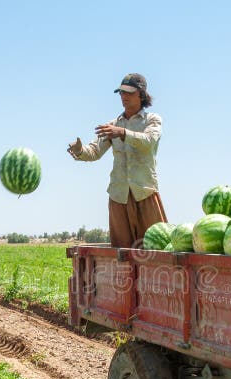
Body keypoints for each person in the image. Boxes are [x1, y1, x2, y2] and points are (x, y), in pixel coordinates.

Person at [67, 73, 167, 248]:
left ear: (141, 95)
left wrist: (122, 133)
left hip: (145, 192)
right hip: (118, 196)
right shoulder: (113, 124)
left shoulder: (152, 120)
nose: (124, 96)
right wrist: (80, 150)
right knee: (122, 253)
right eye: (121, 93)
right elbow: (94, 152)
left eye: (129, 92)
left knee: (156, 250)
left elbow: (149, 142)